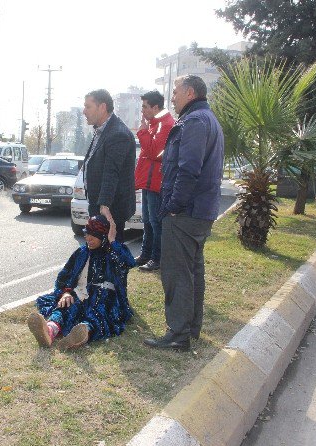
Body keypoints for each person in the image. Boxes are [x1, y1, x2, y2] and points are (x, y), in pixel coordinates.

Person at [144, 75, 224, 352]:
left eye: (176, 91)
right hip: (200, 212)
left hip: (186, 213)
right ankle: (190, 329)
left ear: (190, 93)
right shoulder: (206, 119)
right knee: (192, 272)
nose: (173, 97)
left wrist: (172, 207)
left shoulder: (193, 122)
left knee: (177, 274)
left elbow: (189, 169)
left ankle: (178, 334)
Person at [27, 215, 135, 350]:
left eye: (93, 236)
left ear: (103, 236)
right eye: (87, 234)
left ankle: (81, 335)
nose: (88, 238)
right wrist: (65, 293)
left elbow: (129, 262)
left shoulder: (112, 253)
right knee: (65, 307)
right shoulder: (82, 252)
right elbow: (65, 275)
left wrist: (112, 241)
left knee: (97, 316)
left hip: (106, 297)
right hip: (81, 292)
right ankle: (48, 332)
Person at [82, 89, 136, 242]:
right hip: (100, 206)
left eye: (88, 106)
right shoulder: (102, 130)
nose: (84, 111)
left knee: (110, 258)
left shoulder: (117, 134)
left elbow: (111, 173)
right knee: (100, 257)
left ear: (102, 107)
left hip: (110, 210)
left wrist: (104, 206)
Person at [134, 90, 175, 272]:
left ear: (155, 107)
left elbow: (153, 152)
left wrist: (142, 132)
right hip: (148, 181)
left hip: (157, 182)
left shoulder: (165, 124)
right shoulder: (155, 124)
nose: (142, 111)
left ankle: (156, 258)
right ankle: (146, 254)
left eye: (145, 107)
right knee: (148, 220)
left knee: (155, 222)